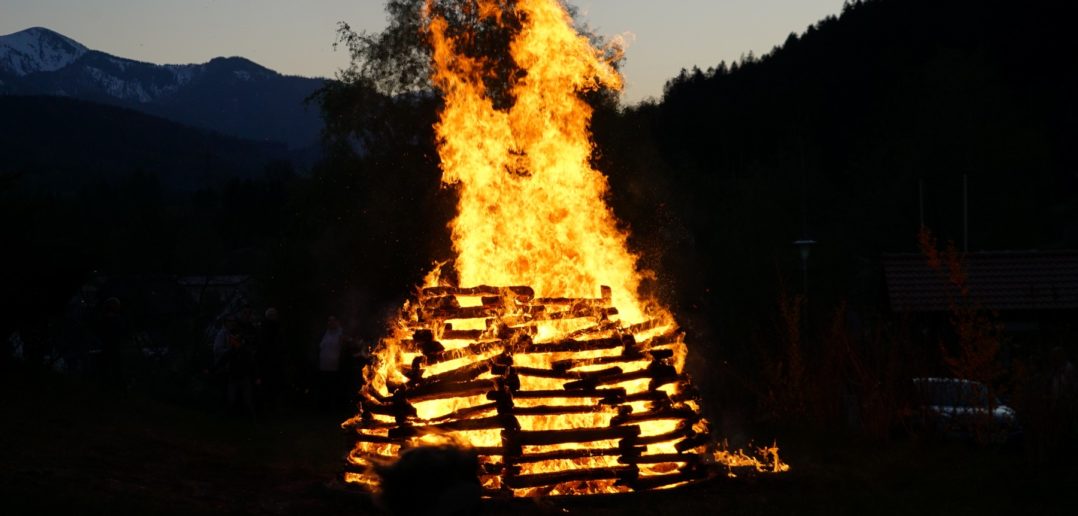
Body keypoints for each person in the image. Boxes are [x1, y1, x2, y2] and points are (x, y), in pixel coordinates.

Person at [318, 315, 345, 408]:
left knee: (333, 387)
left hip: (334, 366)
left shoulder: (340, 333)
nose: (330, 323)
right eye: (329, 321)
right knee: (325, 387)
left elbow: (342, 348)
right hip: (324, 365)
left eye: (333, 321)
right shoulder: (325, 333)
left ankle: (333, 406)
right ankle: (325, 406)